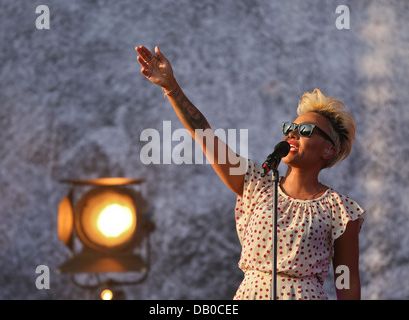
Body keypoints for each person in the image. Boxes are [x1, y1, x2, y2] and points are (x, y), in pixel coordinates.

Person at [135, 45, 365, 300]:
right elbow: (206, 136)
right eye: (290, 127)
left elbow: (347, 281)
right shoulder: (256, 183)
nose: (292, 133)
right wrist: (172, 88)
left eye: (306, 131)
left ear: (329, 150)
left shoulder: (340, 210)